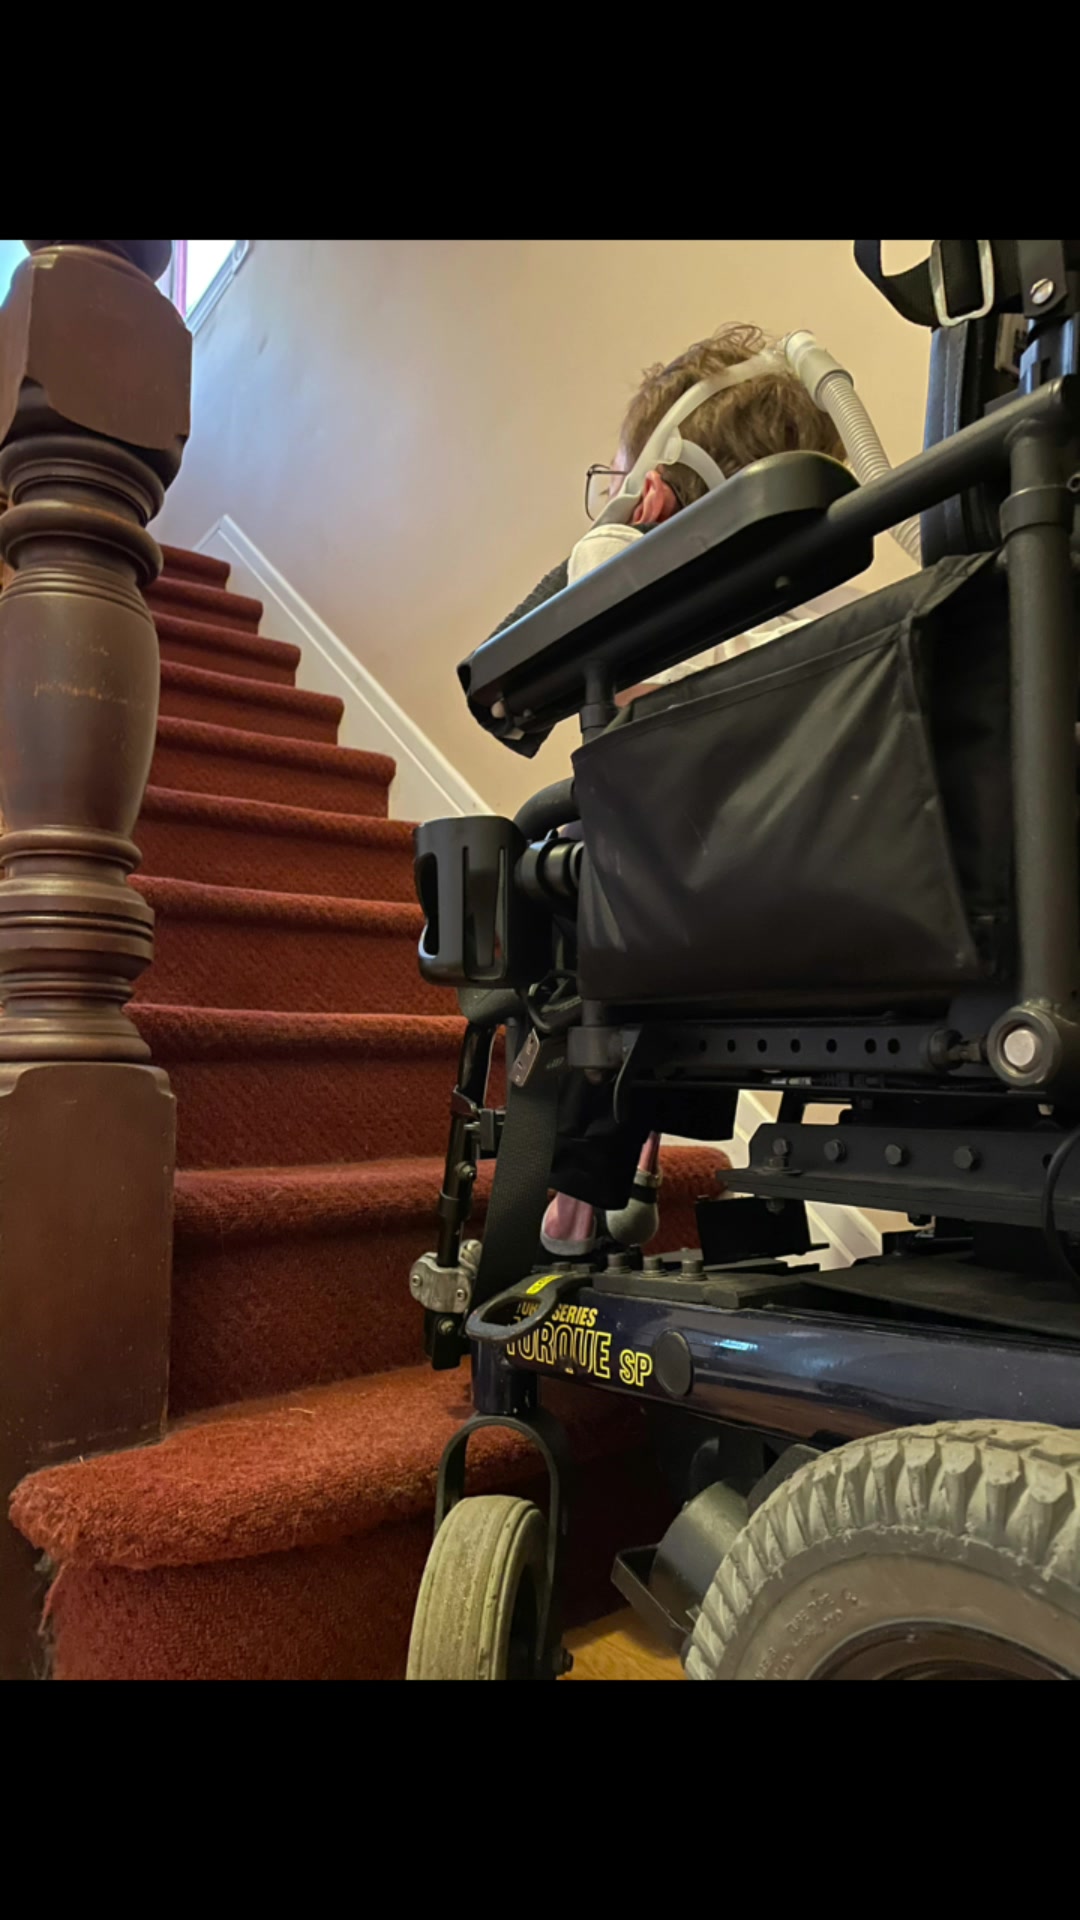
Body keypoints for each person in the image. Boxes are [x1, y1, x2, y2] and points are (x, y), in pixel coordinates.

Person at [492, 323, 857, 1258]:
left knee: (571, 871)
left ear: (649, 493)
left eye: (618, 484)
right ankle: (639, 1168)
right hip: (847, 927)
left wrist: (609, 537)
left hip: (694, 930)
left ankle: (579, 1191)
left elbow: (511, 677)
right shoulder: (836, 634)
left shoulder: (642, 597)